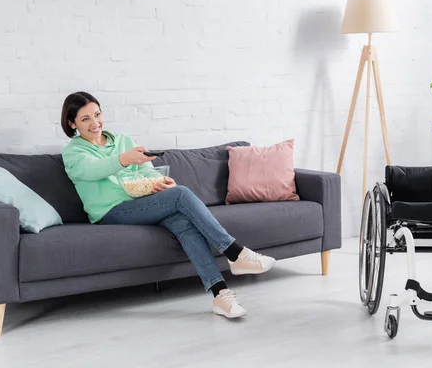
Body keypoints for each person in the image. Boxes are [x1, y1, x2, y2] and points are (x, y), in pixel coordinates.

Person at [60, 91, 276, 319]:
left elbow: (145, 170)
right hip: (112, 211)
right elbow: (94, 169)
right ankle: (234, 252)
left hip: (142, 202)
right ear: (72, 123)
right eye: (85, 119)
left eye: (97, 114)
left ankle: (220, 294)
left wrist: (160, 182)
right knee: (180, 194)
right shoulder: (73, 152)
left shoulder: (122, 141)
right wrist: (126, 159)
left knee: (183, 222)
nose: (95, 123)